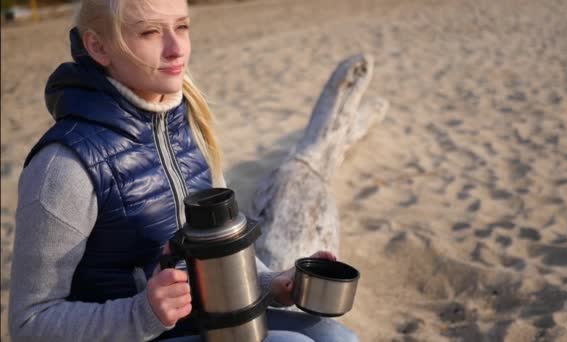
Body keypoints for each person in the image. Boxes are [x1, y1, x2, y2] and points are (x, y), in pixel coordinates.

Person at [7, 1, 358, 341]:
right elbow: (29, 323)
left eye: (182, 26)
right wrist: (141, 313)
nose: (176, 49)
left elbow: (218, 250)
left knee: (334, 336)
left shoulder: (189, 123)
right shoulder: (65, 166)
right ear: (99, 47)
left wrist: (272, 283)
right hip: (132, 334)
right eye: (149, 32)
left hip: (203, 319)